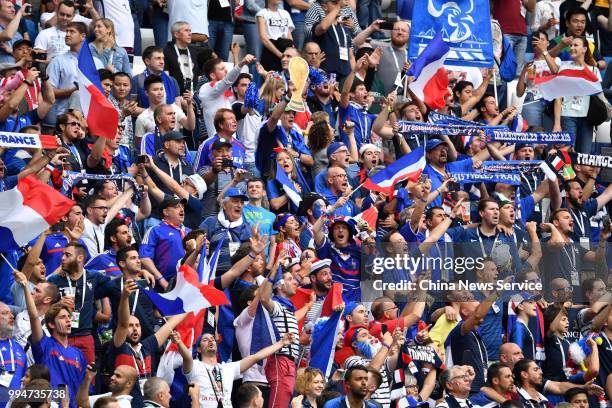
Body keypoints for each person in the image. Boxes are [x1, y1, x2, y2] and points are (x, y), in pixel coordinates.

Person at [175, 328, 295, 408]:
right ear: (199, 349)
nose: (210, 341)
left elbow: (256, 357)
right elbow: (187, 357)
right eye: (205, 340)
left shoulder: (228, 368)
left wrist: (281, 343)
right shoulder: (195, 365)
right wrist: (179, 342)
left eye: (212, 338)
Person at [17, 270, 86, 407]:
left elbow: (82, 393)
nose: (68, 320)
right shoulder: (44, 345)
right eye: (62, 317)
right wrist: (25, 285)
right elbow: (34, 317)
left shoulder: (78, 354)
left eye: (69, 317)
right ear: (51, 324)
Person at [548, 36, 601, 154]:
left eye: (576, 45)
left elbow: (599, 96)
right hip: (567, 116)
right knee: (567, 154)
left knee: (584, 155)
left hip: (588, 118)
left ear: (584, 49)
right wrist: (557, 123)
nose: (572, 48)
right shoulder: (564, 67)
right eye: (570, 45)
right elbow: (558, 97)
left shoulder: (594, 70)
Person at [198, 54, 257, 137]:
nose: (226, 71)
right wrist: (241, 63)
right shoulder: (207, 89)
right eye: (222, 69)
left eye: (225, 68)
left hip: (231, 141)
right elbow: (228, 81)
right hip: (217, 143)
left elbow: (231, 81)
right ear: (212, 75)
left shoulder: (225, 90)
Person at [140, 196, 190, 286]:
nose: (182, 209)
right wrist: (161, 280)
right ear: (166, 212)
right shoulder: (155, 230)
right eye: (176, 207)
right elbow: (144, 258)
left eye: (182, 206)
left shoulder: (189, 231)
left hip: (188, 283)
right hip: (166, 284)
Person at [46, 21, 87, 128]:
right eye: (67, 31)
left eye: (72, 31)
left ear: (83, 36)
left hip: (89, 117)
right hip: (64, 117)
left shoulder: (95, 62)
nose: (67, 34)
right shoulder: (57, 61)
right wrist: (72, 91)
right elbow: (49, 92)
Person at [163, 21, 201, 94]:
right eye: (186, 31)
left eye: (190, 31)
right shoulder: (167, 51)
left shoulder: (195, 51)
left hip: (194, 94)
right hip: (175, 94)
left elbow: (199, 75)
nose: (190, 33)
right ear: (176, 34)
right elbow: (166, 76)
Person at [256, 0, 294, 72]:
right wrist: (279, 54)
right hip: (271, 50)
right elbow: (263, 38)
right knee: (272, 80)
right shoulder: (262, 14)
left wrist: (291, 52)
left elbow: (289, 36)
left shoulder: (285, 13)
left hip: (286, 48)